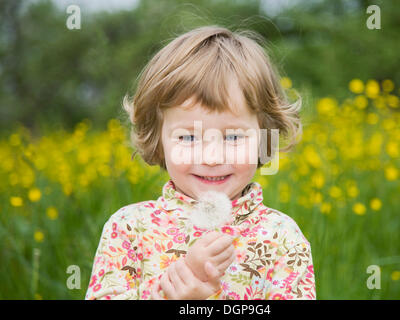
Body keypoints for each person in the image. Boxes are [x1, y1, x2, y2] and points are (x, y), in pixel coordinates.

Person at [85, 25, 316, 300]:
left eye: (232, 137)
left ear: (265, 138)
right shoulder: (129, 228)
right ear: (159, 139)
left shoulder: (282, 237)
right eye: (188, 137)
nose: (211, 156)